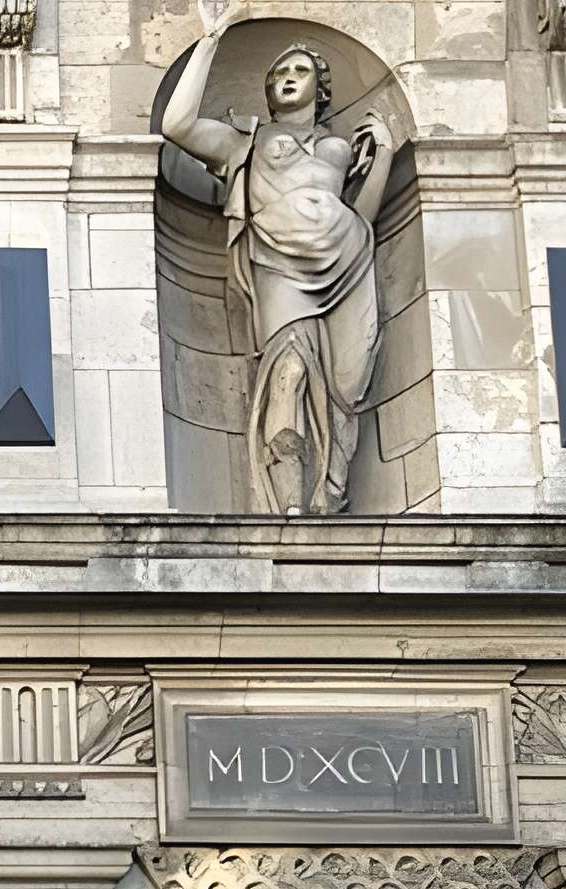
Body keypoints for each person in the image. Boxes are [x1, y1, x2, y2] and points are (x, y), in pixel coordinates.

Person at [157, 8, 397, 516]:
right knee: (287, 373)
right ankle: (289, 505)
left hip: (347, 260)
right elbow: (176, 125)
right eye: (278, 73)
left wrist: (384, 157)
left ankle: (330, 492)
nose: (287, 78)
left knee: (345, 387)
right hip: (278, 264)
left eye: (299, 70)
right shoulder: (245, 142)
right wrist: (209, 40)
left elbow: (364, 217)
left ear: (320, 87)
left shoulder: (338, 147)